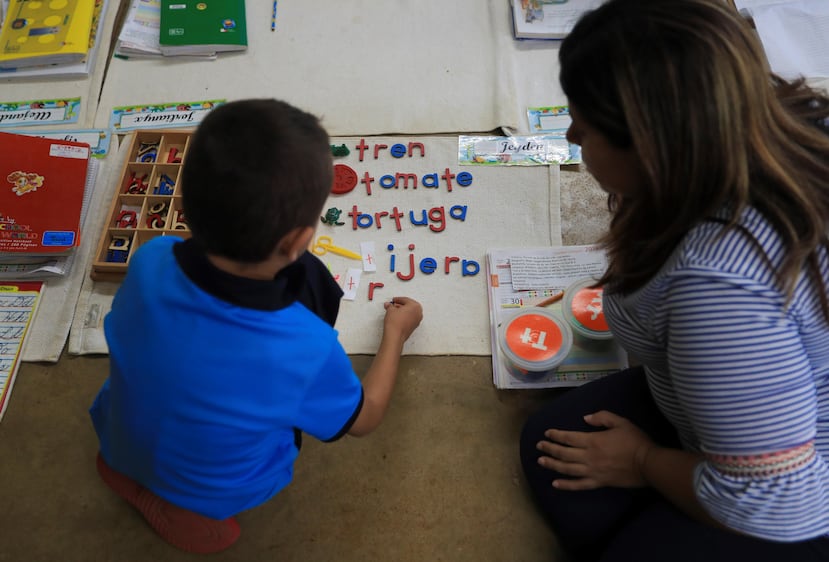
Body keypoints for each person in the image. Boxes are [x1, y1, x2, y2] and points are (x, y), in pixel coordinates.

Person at [518, 1, 829, 561]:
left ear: (651, 147)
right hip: (745, 420)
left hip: (794, 502)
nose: (569, 134)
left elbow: (782, 502)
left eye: (585, 126)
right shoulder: (778, 123)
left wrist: (643, 462)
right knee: (550, 443)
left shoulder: (718, 290)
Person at [89, 99, 423, 554]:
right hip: (211, 484)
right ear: (300, 242)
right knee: (244, 455)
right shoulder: (305, 346)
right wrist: (396, 334)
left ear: (186, 205)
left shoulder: (150, 259)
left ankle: (128, 468)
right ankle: (184, 504)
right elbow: (364, 420)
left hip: (116, 428)